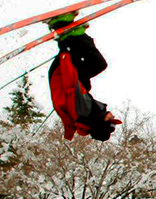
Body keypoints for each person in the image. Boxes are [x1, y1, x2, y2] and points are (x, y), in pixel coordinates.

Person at [46, 12, 121, 142]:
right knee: (96, 64)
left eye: (111, 120)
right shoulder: (91, 113)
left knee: (98, 64)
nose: (112, 115)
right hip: (67, 71)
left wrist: (65, 53)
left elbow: (71, 85)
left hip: (63, 72)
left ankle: (65, 27)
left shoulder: (85, 112)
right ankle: (73, 32)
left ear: (100, 123)